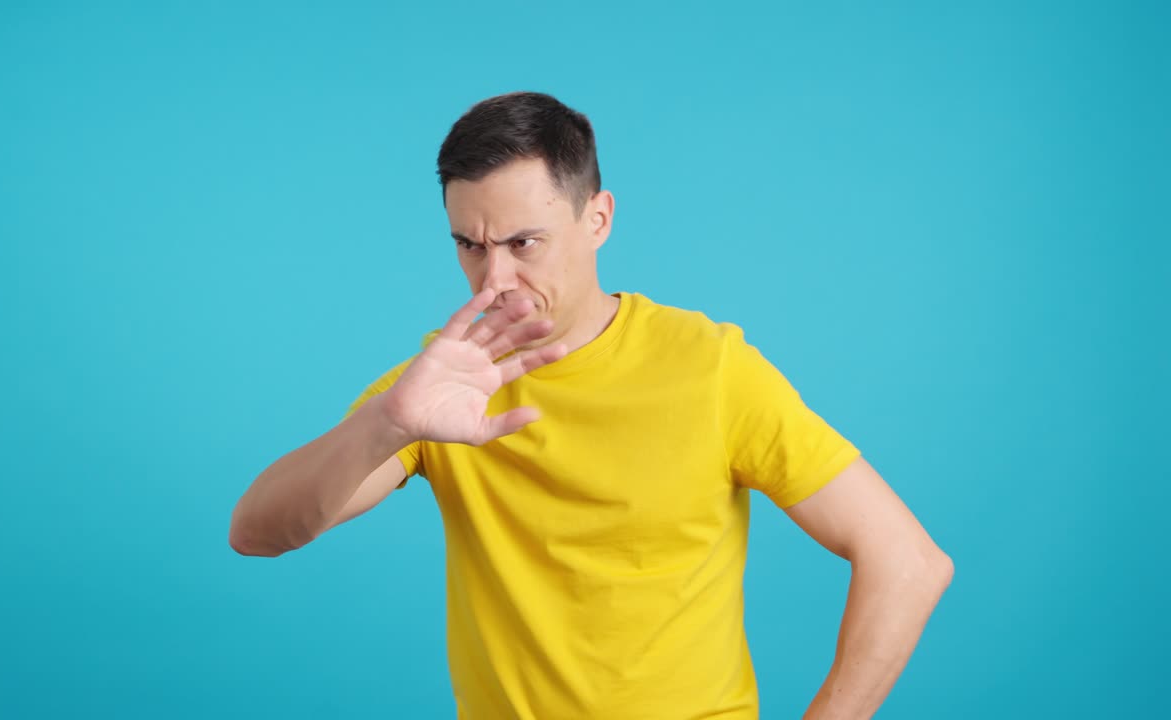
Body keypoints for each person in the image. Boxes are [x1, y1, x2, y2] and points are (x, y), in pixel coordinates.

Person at [229, 91, 954, 719]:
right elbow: (257, 531)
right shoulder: (440, 386)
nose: (495, 280)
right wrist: (388, 422)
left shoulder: (710, 367)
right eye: (469, 246)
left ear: (598, 219)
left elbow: (909, 561)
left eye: (524, 242)